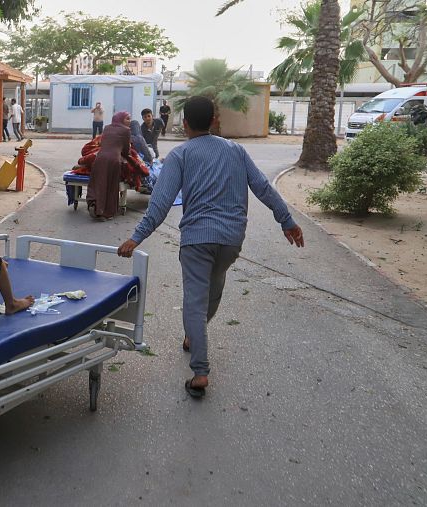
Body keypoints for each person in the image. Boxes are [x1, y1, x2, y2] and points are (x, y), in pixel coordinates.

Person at [118, 96, 304, 399]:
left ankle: (201, 371)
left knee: (194, 300)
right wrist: (286, 221)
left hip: (196, 239)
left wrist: (136, 237)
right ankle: (195, 335)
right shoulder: (236, 151)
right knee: (214, 289)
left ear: (186, 124)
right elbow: (263, 187)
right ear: (214, 121)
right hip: (231, 239)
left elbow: (161, 203)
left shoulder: (180, 155)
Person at [86, 111, 131, 221]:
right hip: (113, 160)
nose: (129, 121)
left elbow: (103, 143)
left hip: (99, 158)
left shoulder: (106, 128)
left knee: (98, 183)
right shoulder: (126, 130)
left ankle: (94, 203)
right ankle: (105, 212)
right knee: (110, 186)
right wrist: (127, 157)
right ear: (121, 119)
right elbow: (126, 150)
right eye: (127, 119)